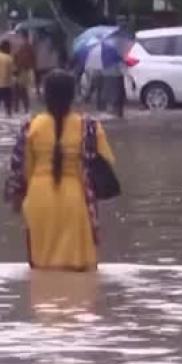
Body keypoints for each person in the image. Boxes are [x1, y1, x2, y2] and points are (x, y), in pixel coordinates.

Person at [5, 71, 115, 271]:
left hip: (39, 198)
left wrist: (17, 200)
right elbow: (105, 163)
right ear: (72, 95)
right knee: (79, 269)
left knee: (41, 270)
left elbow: (21, 170)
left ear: (45, 94)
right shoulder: (88, 127)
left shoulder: (31, 126)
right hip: (76, 199)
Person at [13, 32, 35, 114]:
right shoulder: (25, 46)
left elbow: (24, 59)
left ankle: (20, 107)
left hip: (22, 70)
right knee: (19, 89)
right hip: (22, 70)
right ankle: (19, 107)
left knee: (20, 89)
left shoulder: (25, 46)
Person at [0, 42, 15, 117]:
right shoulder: (9, 58)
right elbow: (12, 71)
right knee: (7, 100)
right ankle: (8, 113)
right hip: (6, 83)